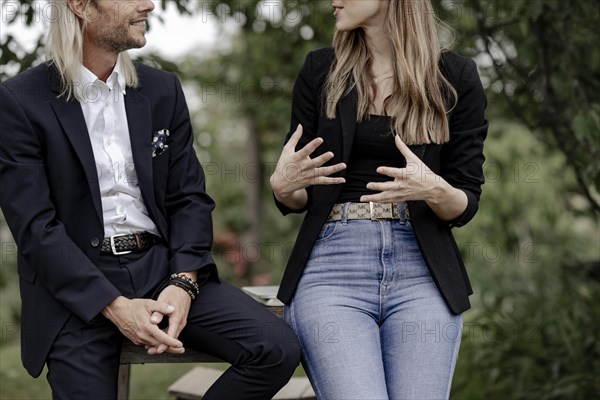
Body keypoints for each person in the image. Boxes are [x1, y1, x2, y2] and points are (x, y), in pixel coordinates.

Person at [0, 0, 301, 398]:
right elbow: (37, 230)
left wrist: (183, 281)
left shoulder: (162, 90)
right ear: (79, 6)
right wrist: (114, 306)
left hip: (161, 270)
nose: (150, 4)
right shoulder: (20, 101)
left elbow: (189, 198)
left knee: (276, 347)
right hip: (76, 289)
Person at [270, 0, 487, 398]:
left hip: (423, 271)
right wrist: (284, 187)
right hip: (333, 268)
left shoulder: (455, 77)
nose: (333, 1)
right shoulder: (321, 71)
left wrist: (433, 188)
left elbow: (465, 201)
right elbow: (298, 186)